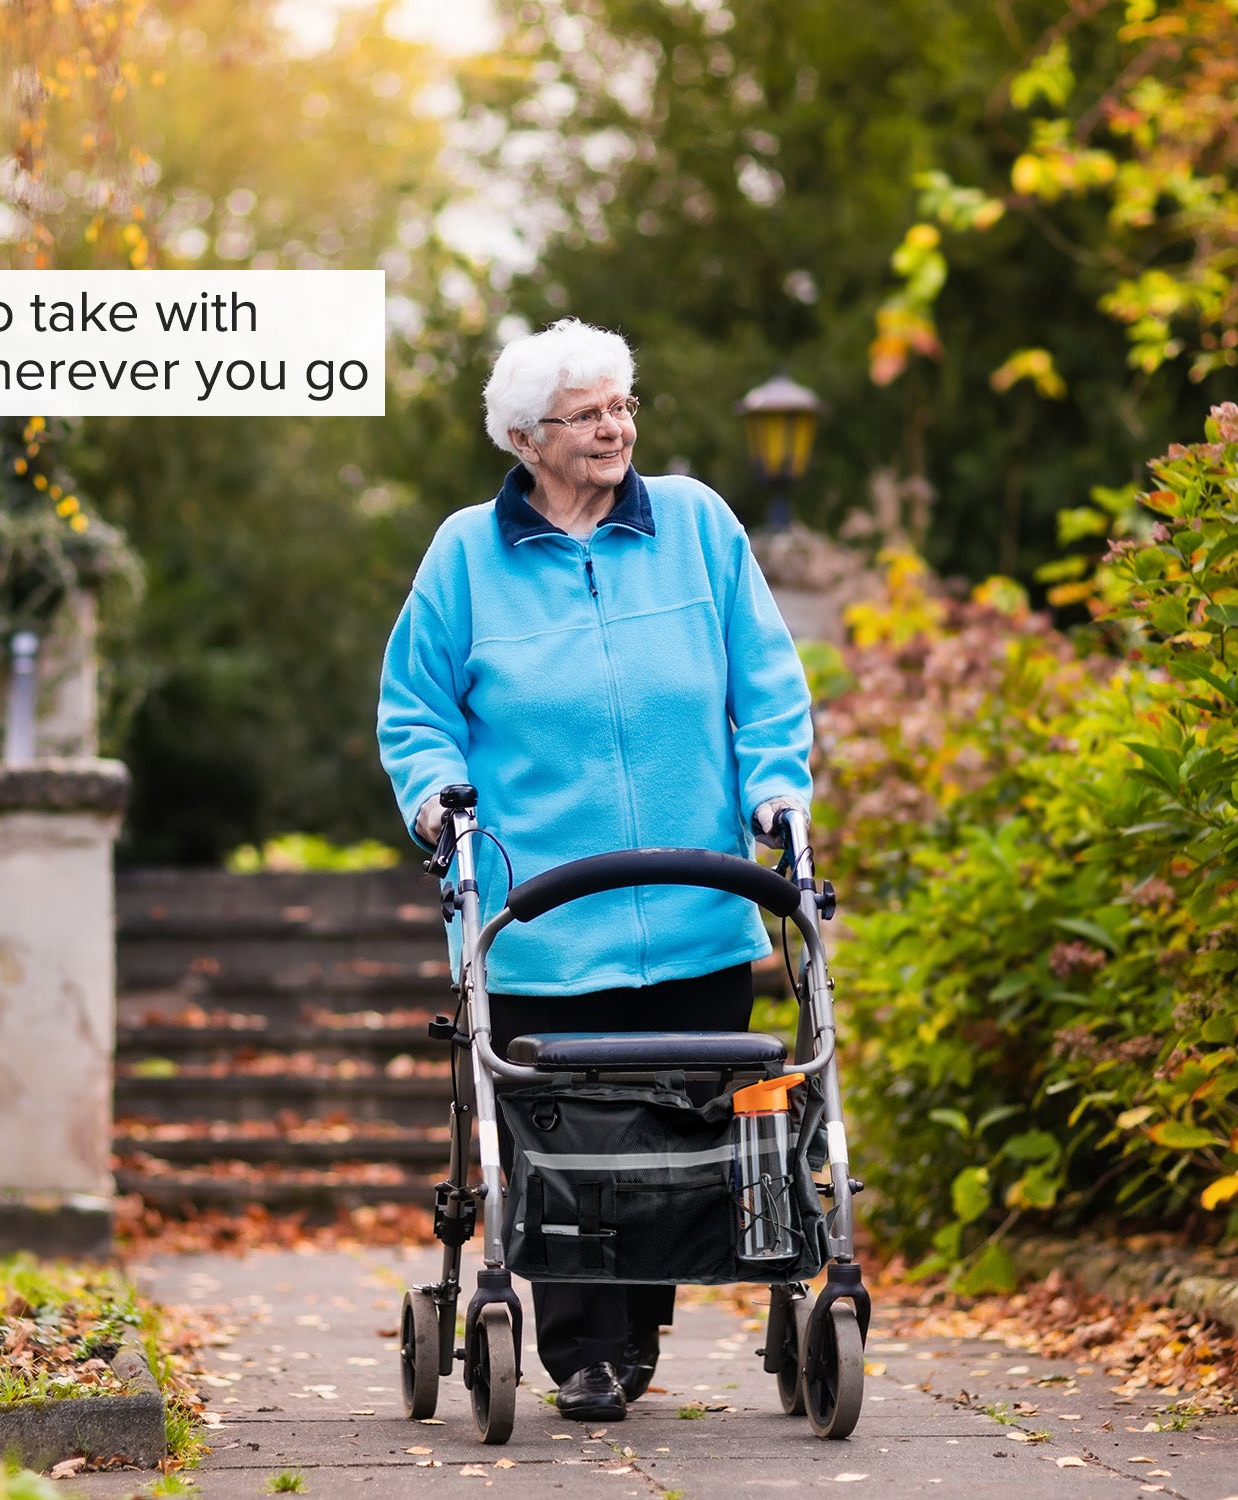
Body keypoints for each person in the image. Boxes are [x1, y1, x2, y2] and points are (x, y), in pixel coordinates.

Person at [376, 317, 812, 1423]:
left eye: (623, 405)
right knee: (563, 1142)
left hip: (698, 905)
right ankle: (583, 1350)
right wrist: (437, 799)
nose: (615, 428)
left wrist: (776, 789)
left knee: (679, 1134)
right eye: (586, 415)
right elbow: (416, 710)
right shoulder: (466, 555)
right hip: (540, 920)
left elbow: (767, 683)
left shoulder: (700, 527)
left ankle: (635, 1332)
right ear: (527, 438)